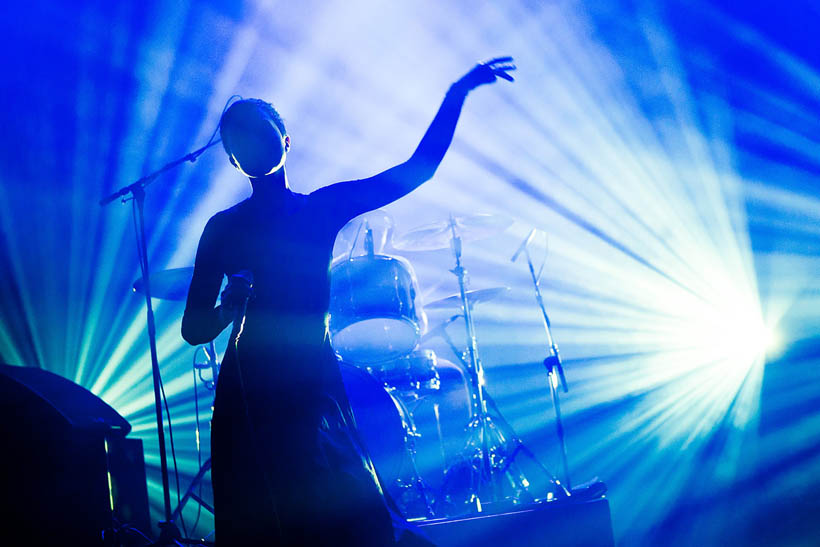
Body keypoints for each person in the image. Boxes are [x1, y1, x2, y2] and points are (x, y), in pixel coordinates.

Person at [181, 57, 515, 546]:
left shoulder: (320, 208)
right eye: (239, 139)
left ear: (285, 139)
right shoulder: (223, 228)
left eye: (260, 130)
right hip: (248, 388)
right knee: (261, 519)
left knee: (347, 517)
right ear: (233, 159)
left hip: (311, 381)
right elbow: (193, 328)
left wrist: (457, 93)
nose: (251, 141)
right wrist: (227, 310)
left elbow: (416, 171)